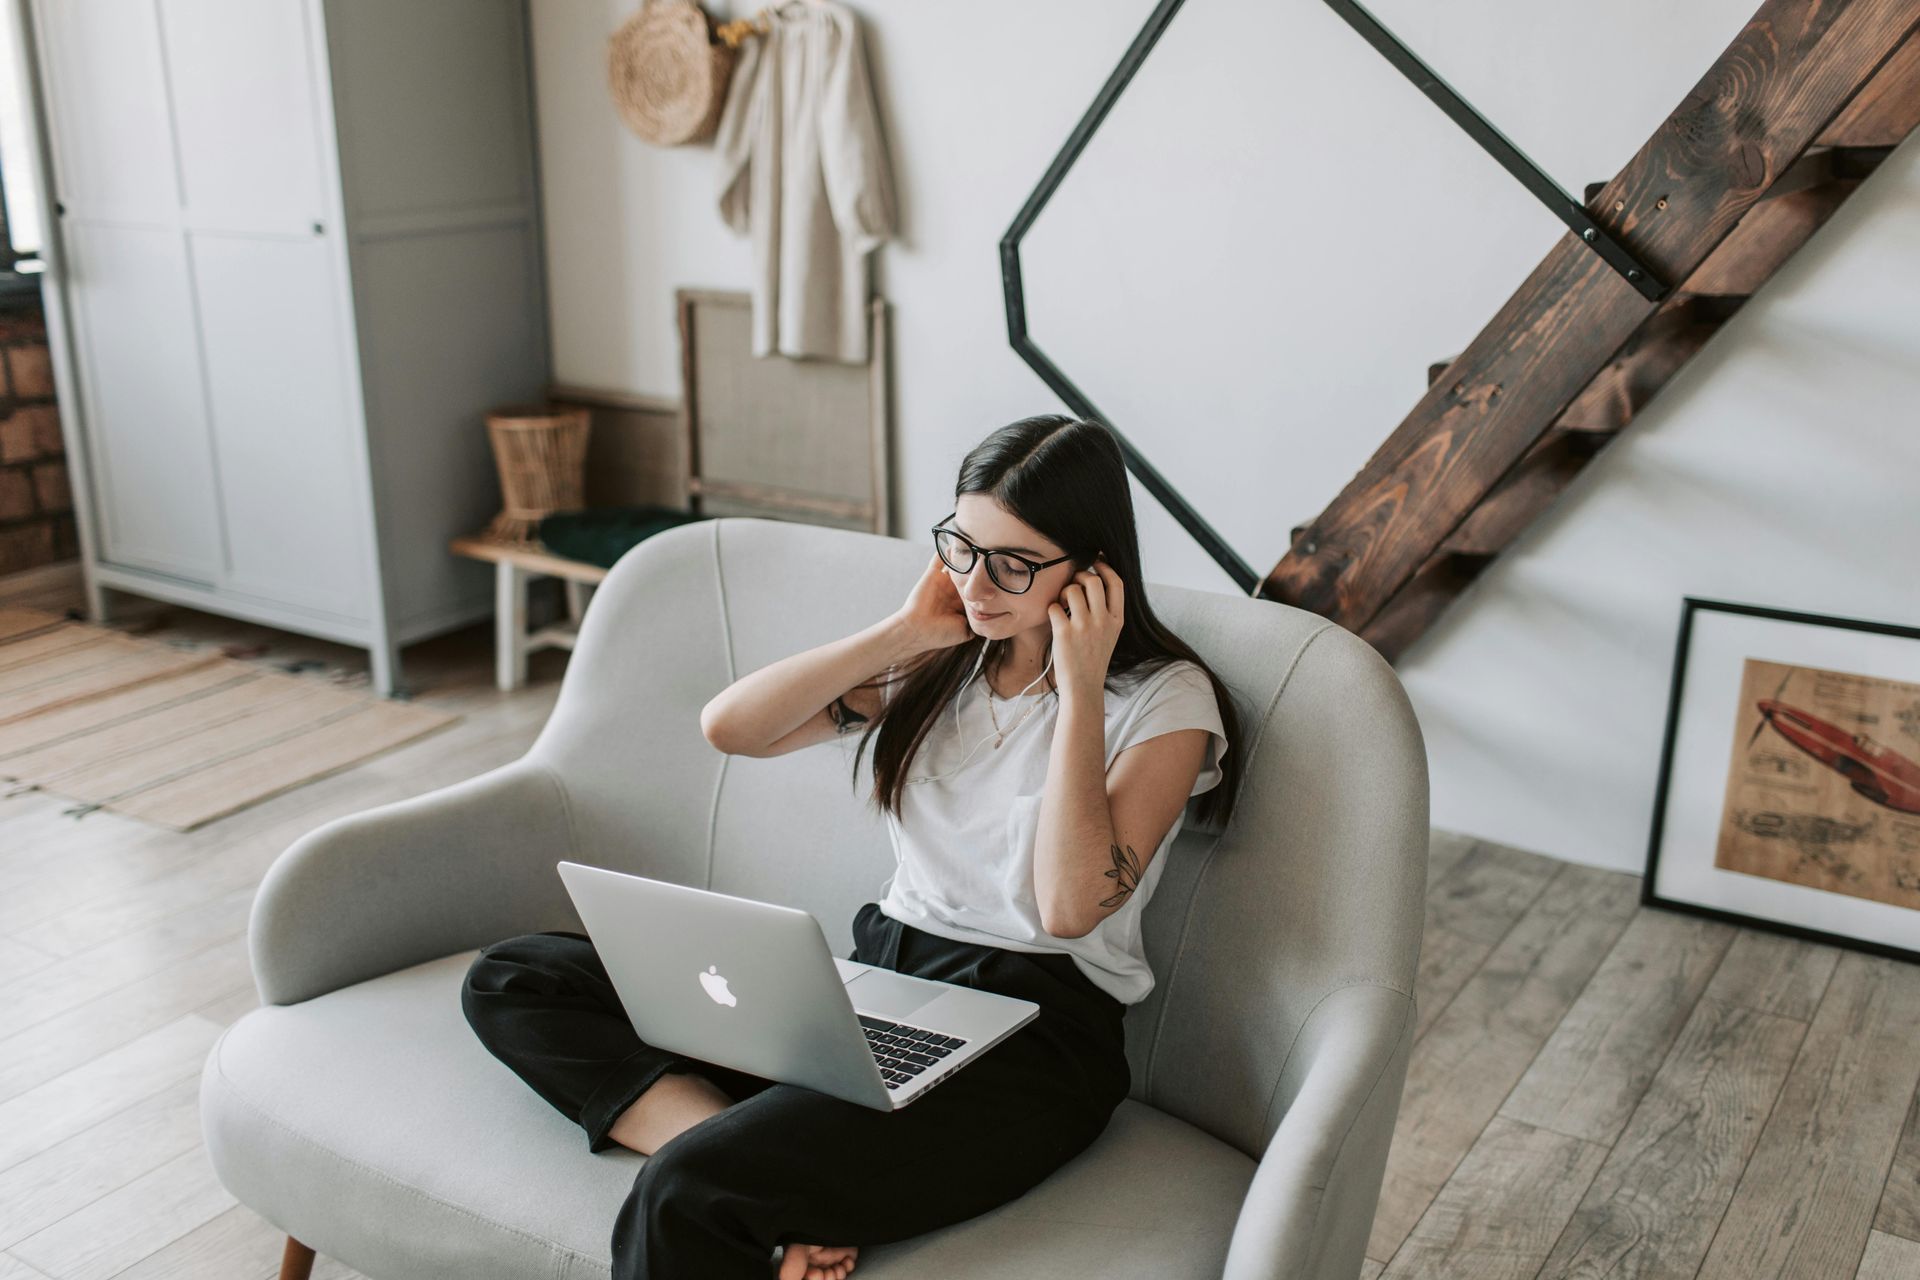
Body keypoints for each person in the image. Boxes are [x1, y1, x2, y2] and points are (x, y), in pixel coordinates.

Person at [461, 414, 1242, 1280]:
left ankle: (733, 1175)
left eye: (1014, 564)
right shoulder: (946, 663)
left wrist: (1081, 681)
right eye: (961, 546)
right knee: (514, 975)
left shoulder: (1166, 701)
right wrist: (904, 632)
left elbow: (1066, 907)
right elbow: (732, 728)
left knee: (685, 1193)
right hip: (877, 989)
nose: (977, 584)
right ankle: (742, 1166)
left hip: (1034, 1043)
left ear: (1093, 572)